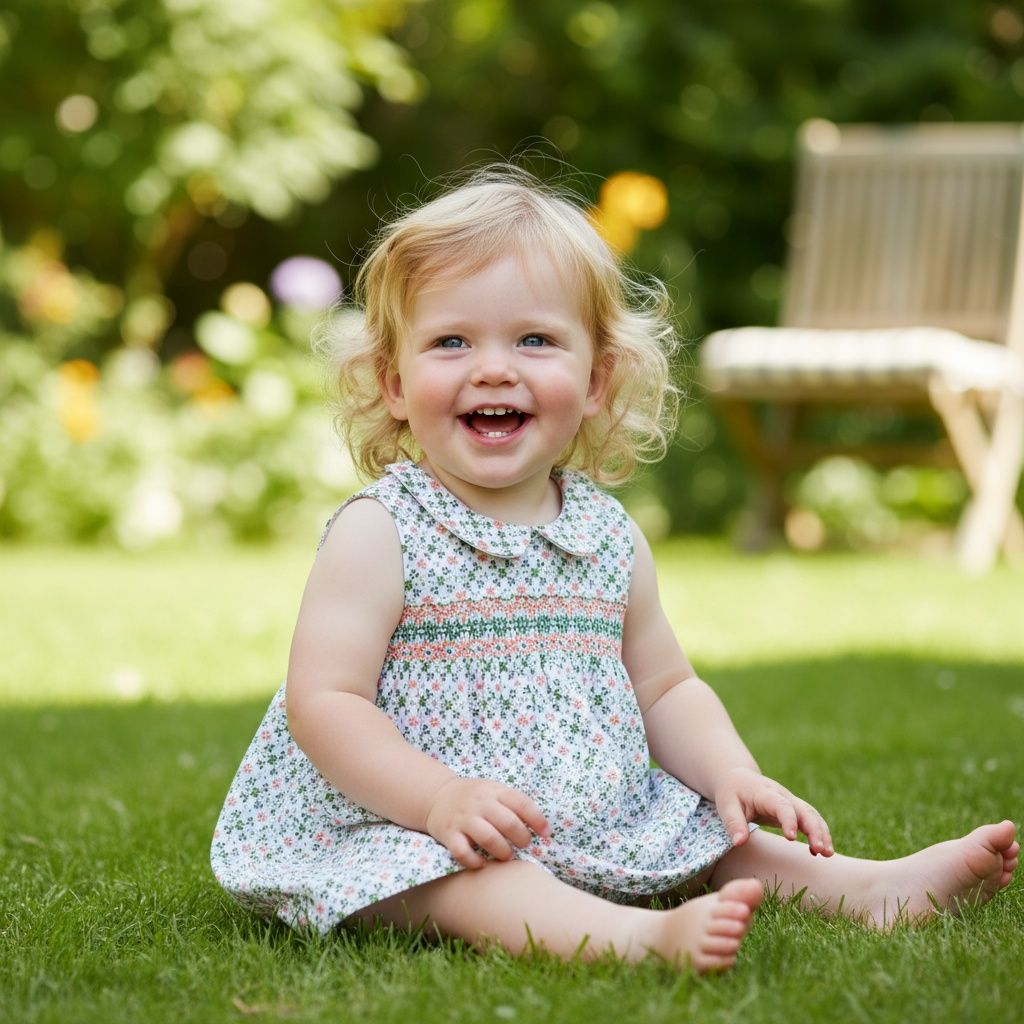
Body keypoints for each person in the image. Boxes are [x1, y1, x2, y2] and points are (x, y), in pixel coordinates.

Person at [211, 168, 1018, 972]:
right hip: (404, 819)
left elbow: (664, 686)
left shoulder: (605, 534)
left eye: (534, 339)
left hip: (586, 809)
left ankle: (870, 888)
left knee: (713, 836)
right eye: (451, 341)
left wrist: (730, 770)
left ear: (597, 380)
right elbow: (327, 700)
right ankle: (636, 939)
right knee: (467, 881)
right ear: (392, 382)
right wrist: (436, 799)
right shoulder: (381, 530)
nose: (493, 368)